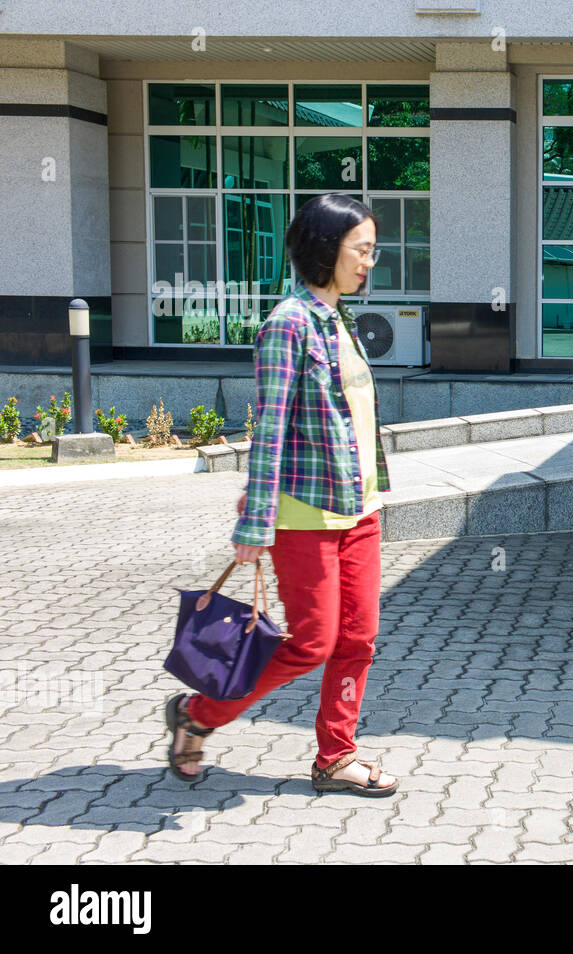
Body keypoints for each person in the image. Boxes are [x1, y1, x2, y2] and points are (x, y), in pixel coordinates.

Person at [164, 193, 398, 796]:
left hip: (360, 509)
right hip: (304, 514)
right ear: (326, 249)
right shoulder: (288, 323)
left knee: (358, 640)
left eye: (372, 251)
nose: (369, 262)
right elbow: (269, 430)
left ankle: (335, 757)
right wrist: (255, 522)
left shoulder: (339, 317)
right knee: (314, 642)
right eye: (361, 250)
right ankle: (198, 714)